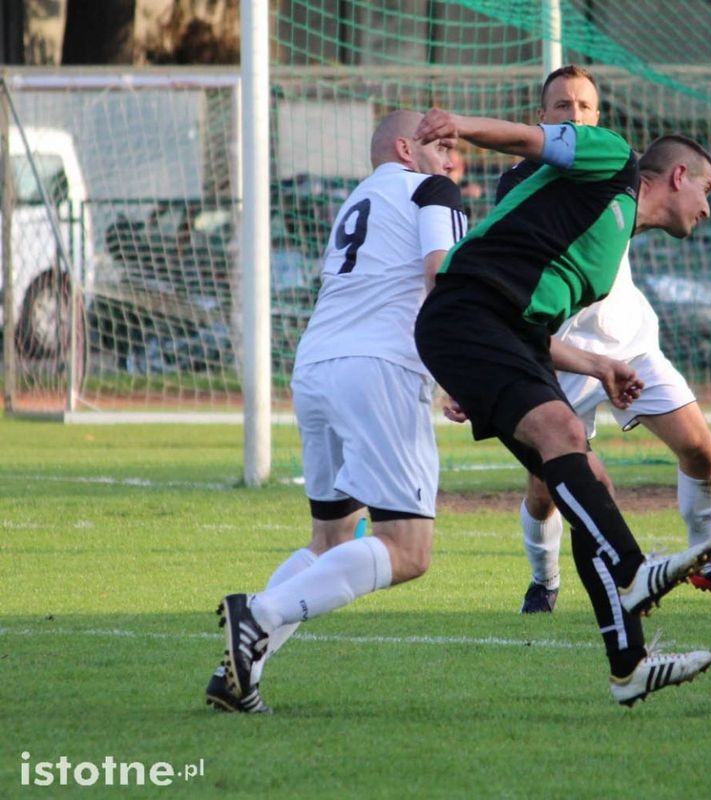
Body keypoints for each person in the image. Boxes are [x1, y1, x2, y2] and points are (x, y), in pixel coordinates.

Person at [412, 107, 711, 705]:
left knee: (590, 479)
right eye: (707, 190)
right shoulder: (615, 160)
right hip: (468, 312)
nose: (708, 207)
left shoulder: (608, 245)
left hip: (507, 333)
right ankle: (632, 569)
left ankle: (629, 667)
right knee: (563, 433)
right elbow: (529, 139)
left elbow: (533, 329)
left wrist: (598, 365)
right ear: (678, 176)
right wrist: (461, 126)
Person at [496, 64, 711, 614]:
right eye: (563, 106)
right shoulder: (521, 184)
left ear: (599, 116)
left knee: (700, 450)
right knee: (546, 489)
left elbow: (681, 175)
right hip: (561, 358)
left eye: (585, 107)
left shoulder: (616, 164)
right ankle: (544, 580)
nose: (575, 116)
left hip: (628, 345)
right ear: (541, 118)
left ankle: (709, 558)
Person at [205, 109, 469, 713]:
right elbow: (443, 275)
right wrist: (458, 372)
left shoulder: (357, 198)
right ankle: (259, 614)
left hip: (317, 365)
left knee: (329, 539)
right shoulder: (432, 190)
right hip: (378, 371)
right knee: (408, 550)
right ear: (406, 148)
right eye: (441, 145)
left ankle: (236, 674)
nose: (451, 159)